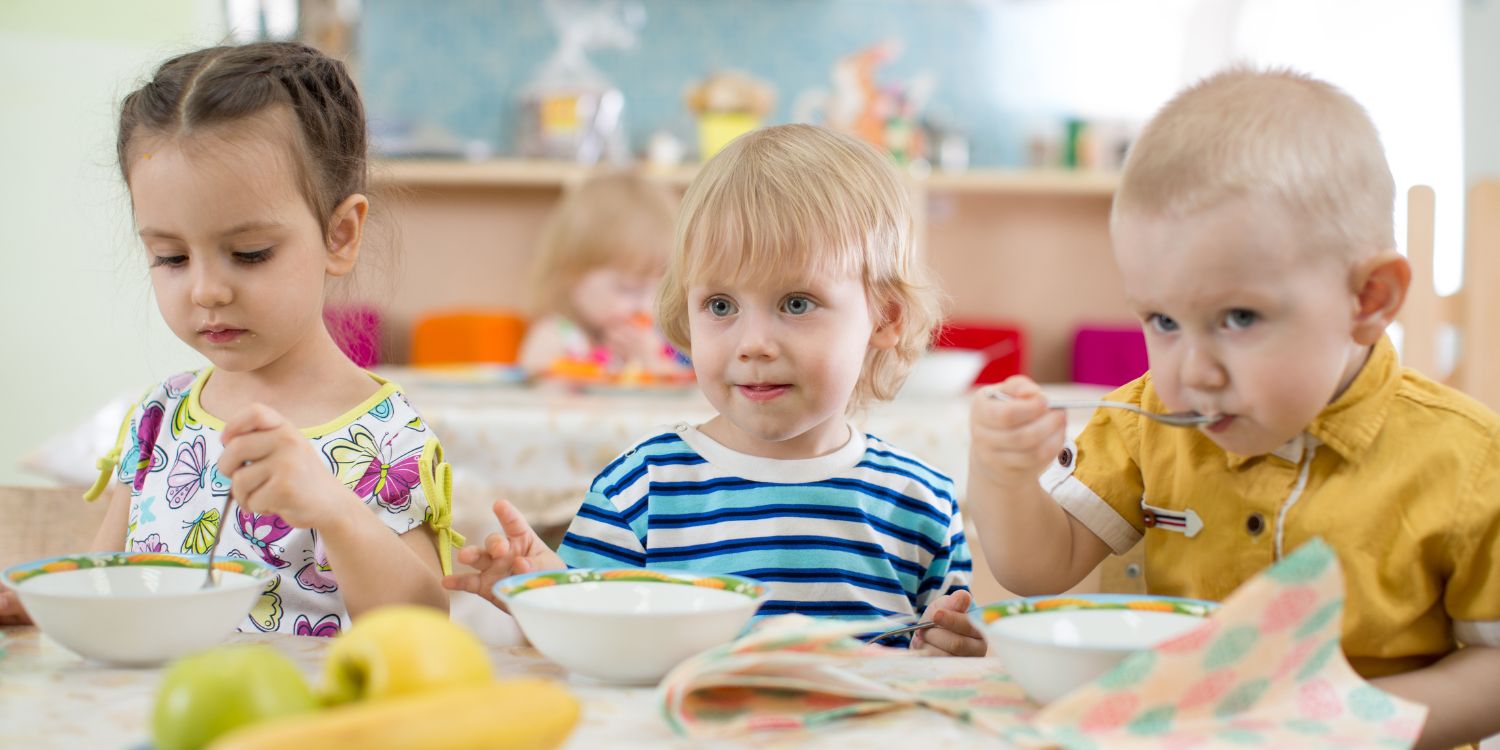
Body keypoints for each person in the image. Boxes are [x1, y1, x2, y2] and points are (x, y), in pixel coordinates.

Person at [967, 67, 1500, 747]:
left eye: (1239, 317)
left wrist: (1342, 724)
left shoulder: (1469, 460)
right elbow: (1037, 569)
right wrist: (1004, 475)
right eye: (1161, 320)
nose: (1192, 372)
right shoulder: (1144, 424)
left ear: (1368, 299)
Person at [447, 124, 982, 655]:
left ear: (884, 317)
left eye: (796, 303)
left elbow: (942, 654)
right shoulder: (640, 490)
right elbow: (595, 644)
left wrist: (949, 651)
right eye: (721, 306)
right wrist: (547, 593)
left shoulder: (922, 503)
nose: (752, 344)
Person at [0, 42, 461, 636]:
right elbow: (107, 576)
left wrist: (334, 512)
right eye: (170, 257)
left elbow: (424, 626)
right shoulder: (159, 415)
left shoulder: (381, 438)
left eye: (249, 254)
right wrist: (43, 602)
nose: (206, 290)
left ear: (340, 235)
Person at [517, 171, 692, 381]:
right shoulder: (557, 336)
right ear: (572, 274)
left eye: (661, 289)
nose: (645, 306)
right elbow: (533, 390)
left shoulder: (660, 341)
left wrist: (650, 362)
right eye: (627, 288)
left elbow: (688, 393)